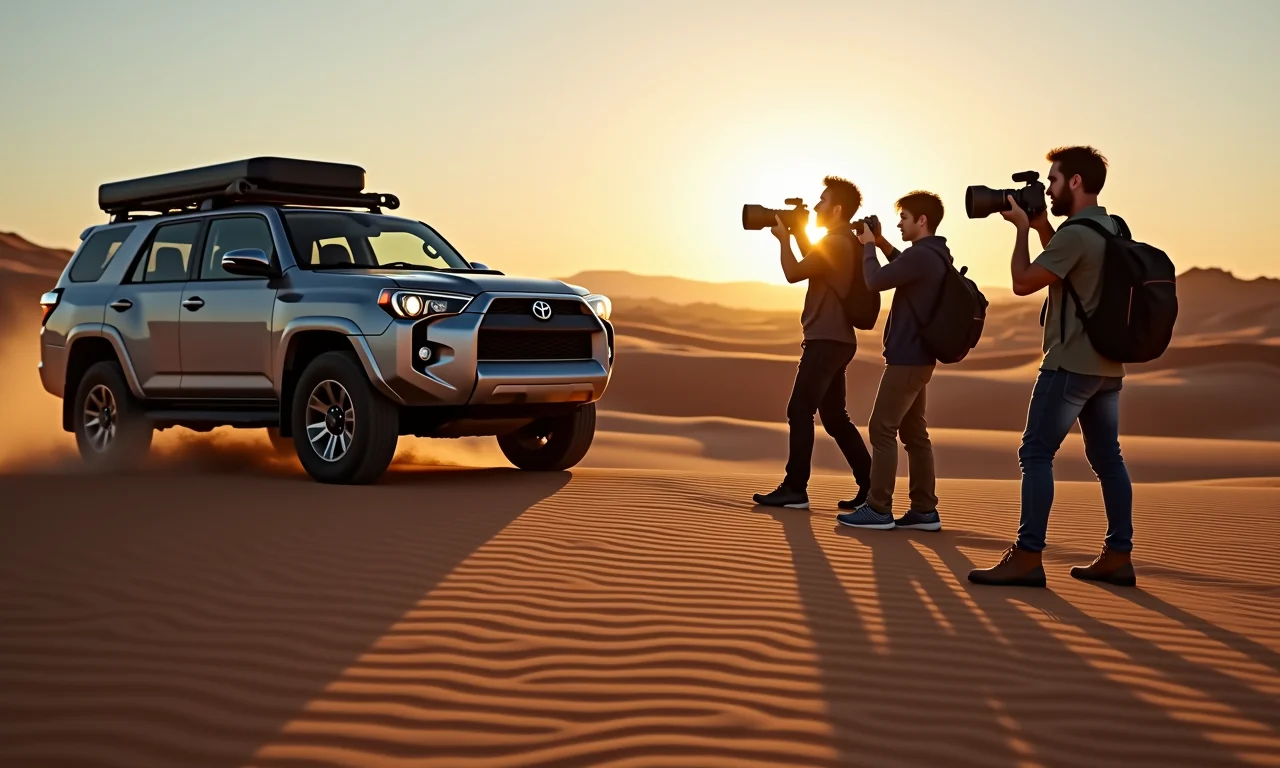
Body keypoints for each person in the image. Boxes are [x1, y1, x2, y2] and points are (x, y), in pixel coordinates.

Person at [968, 146, 1136, 587]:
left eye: (1055, 180)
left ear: (1076, 182)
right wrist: (1042, 224)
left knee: (1036, 453)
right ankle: (1119, 555)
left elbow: (1024, 282)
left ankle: (1027, 557)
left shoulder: (1076, 234)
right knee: (1108, 459)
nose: (1050, 189)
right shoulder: (1111, 228)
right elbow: (1067, 271)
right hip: (1107, 368)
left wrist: (1021, 231)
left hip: (1068, 366)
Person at [753, 176, 872, 509]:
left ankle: (795, 488)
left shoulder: (836, 242)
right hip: (836, 339)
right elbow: (814, 263)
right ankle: (871, 484)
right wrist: (798, 232)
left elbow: (794, 272)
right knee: (834, 417)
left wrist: (782, 240)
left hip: (827, 339)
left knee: (799, 409)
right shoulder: (840, 241)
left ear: (836, 209)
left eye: (822, 201)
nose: (817, 206)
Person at [835, 192, 949, 531]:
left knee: (881, 428)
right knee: (914, 434)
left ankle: (879, 507)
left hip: (907, 359)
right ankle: (924, 510)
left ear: (921, 221)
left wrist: (868, 246)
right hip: (918, 358)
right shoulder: (933, 254)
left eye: (904, 218)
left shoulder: (923, 256)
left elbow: (876, 281)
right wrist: (882, 241)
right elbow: (901, 263)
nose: (899, 223)